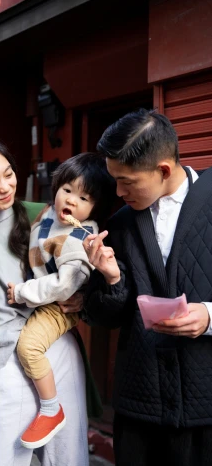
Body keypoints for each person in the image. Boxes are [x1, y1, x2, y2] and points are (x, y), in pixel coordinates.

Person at [0, 134, 95, 466]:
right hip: (1, 368)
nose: (6, 186)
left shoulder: (45, 214)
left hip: (55, 352)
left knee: (68, 459)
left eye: (8, 174)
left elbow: (83, 260)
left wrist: (84, 297)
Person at [82, 108, 212, 466]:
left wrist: (209, 316)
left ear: (164, 170)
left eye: (128, 181)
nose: (118, 192)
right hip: (139, 407)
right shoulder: (120, 223)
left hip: (207, 411)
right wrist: (111, 278)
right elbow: (101, 317)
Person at [7, 153, 116, 449]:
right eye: (66, 190)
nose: (71, 200)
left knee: (29, 346)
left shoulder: (81, 238)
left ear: (95, 207)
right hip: (41, 298)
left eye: (83, 197)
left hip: (58, 306)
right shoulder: (46, 217)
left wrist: (21, 292)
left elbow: (62, 286)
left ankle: (51, 408)